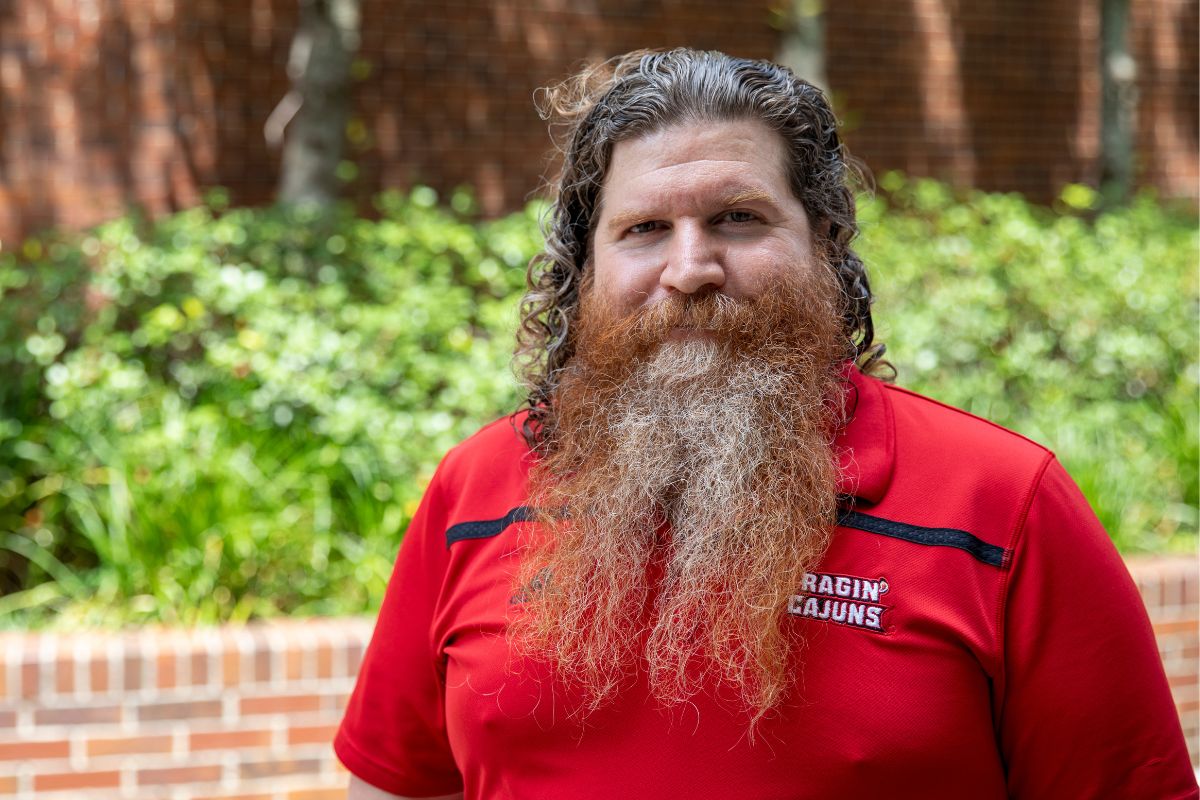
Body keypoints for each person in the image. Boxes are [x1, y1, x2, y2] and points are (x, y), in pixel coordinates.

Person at [335, 49, 1198, 800]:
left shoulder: (1004, 506)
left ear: (825, 238)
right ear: (586, 267)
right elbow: (399, 786)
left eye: (737, 219)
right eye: (643, 230)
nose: (690, 268)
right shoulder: (474, 491)